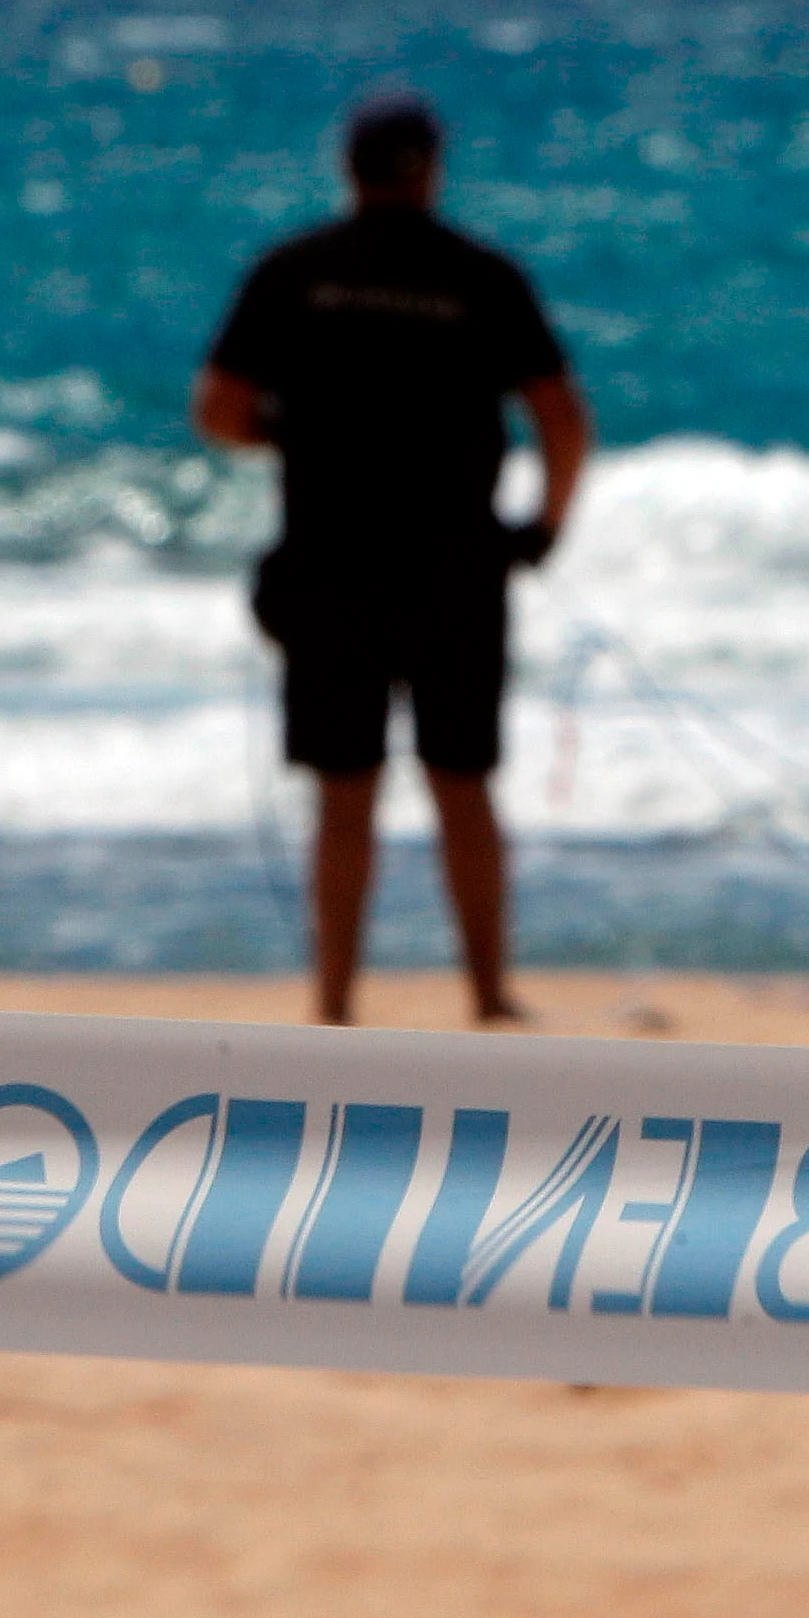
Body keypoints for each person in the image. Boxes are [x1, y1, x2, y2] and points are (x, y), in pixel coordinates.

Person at [194, 93, 590, 1028]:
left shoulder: (294, 272)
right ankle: (488, 996)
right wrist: (542, 530)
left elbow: (217, 409)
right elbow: (563, 421)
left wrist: (287, 433)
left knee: (343, 794)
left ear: (348, 167)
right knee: (463, 786)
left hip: (329, 565)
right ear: (432, 169)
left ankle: (333, 1004)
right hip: (456, 567)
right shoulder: (483, 277)